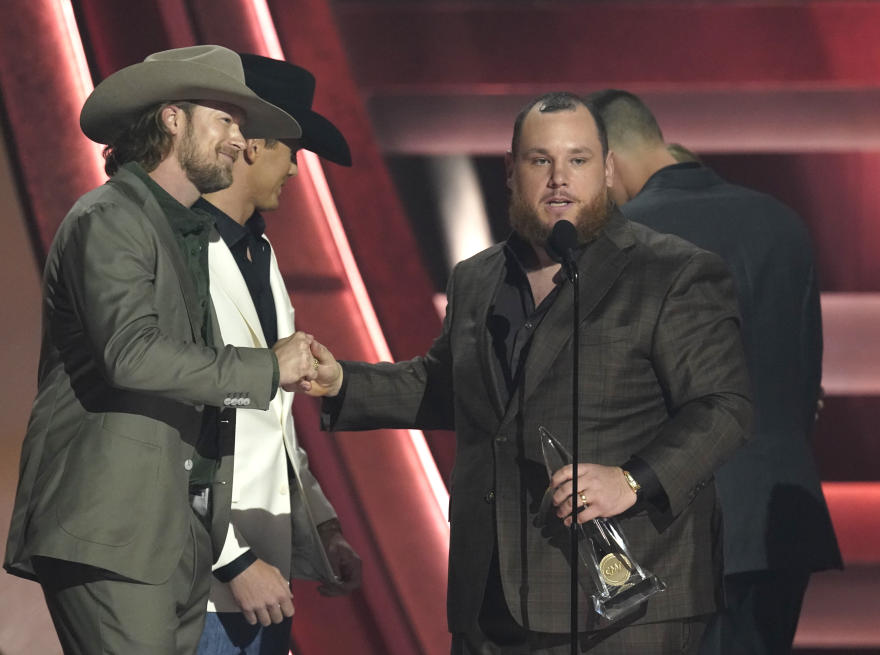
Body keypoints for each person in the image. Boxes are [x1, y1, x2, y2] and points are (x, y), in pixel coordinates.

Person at [310, 92, 752, 653]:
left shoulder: (671, 271)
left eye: (579, 159)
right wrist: (343, 383)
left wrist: (632, 480)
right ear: (511, 171)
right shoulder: (477, 278)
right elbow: (448, 388)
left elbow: (724, 407)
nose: (559, 179)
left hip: (625, 604)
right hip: (489, 601)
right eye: (540, 160)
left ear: (609, 168)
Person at [3, 45, 323, 654]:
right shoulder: (110, 218)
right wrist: (266, 367)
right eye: (225, 119)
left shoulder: (186, 232)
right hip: (111, 529)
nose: (239, 139)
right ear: (173, 119)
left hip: (176, 538)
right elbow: (131, 354)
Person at [589, 89, 842, 654]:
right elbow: (806, 388)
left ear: (608, 161)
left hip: (675, 531)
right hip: (782, 522)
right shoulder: (782, 222)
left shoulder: (622, 241)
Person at [193, 54, 361, 654]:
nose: (296, 167)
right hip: (200, 583)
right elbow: (166, 424)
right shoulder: (177, 253)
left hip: (263, 575)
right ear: (250, 144)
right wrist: (231, 560)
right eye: (292, 148)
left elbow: (272, 424)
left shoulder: (259, 253)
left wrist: (320, 523)